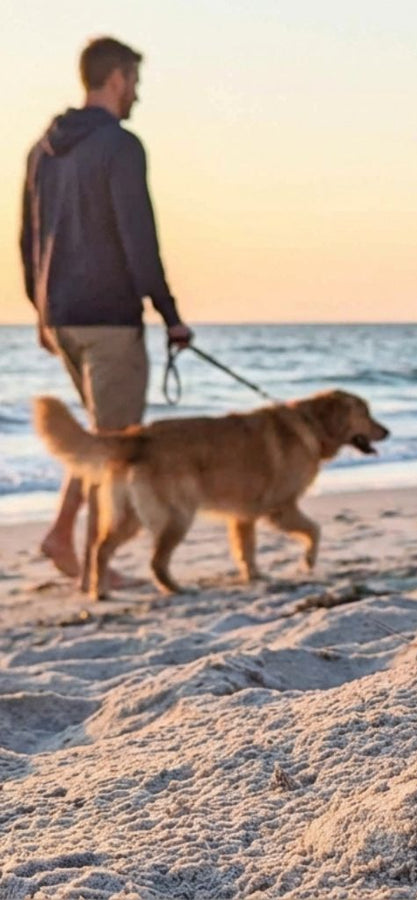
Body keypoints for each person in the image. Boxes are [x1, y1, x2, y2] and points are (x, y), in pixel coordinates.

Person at [20, 36, 192, 584]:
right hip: (109, 317)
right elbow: (138, 238)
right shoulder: (121, 146)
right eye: (134, 80)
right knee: (115, 447)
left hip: (62, 316)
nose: (136, 92)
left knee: (97, 437)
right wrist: (170, 314)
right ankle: (97, 562)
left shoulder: (41, 150)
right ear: (116, 79)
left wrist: (41, 312)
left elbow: (27, 239)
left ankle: (63, 536)